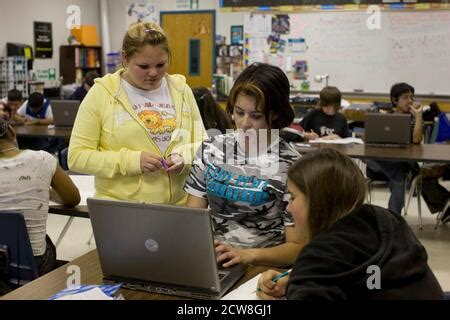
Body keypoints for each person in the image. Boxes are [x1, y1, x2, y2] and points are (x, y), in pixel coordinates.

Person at [257, 149, 443, 300]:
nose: (288, 207)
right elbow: (373, 279)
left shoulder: (317, 259)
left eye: (293, 197)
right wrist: (295, 281)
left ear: (317, 203)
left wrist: (304, 281)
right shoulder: (386, 221)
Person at [68, 22, 206, 204]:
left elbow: (205, 145)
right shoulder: (102, 93)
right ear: (125, 58)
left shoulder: (181, 90)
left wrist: (185, 157)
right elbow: (77, 157)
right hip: (122, 208)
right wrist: (131, 161)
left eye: (161, 64)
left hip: (180, 207)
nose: (154, 73)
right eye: (143, 66)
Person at [185, 63, 304, 269]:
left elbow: (296, 247)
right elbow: (192, 220)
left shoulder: (292, 165)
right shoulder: (211, 148)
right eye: (239, 112)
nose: (244, 123)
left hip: (262, 269)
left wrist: (248, 255)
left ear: (275, 113)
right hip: (212, 263)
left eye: (256, 116)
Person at [0, 119, 80, 293]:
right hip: (34, 263)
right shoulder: (42, 159)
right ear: (12, 131)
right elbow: (72, 198)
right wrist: (47, 190)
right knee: (45, 240)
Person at [365, 83, 423, 214]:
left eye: (411, 98)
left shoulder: (414, 118)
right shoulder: (383, 116)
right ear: (394, 100)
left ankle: (392, 215)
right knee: (370, 158)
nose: (410, 101)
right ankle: (393, 217)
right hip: (379, 162)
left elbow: (416, 140)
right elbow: (369, 139)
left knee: (397, 174)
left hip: (400, 162)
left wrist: (419, 117)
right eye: (405, 97)